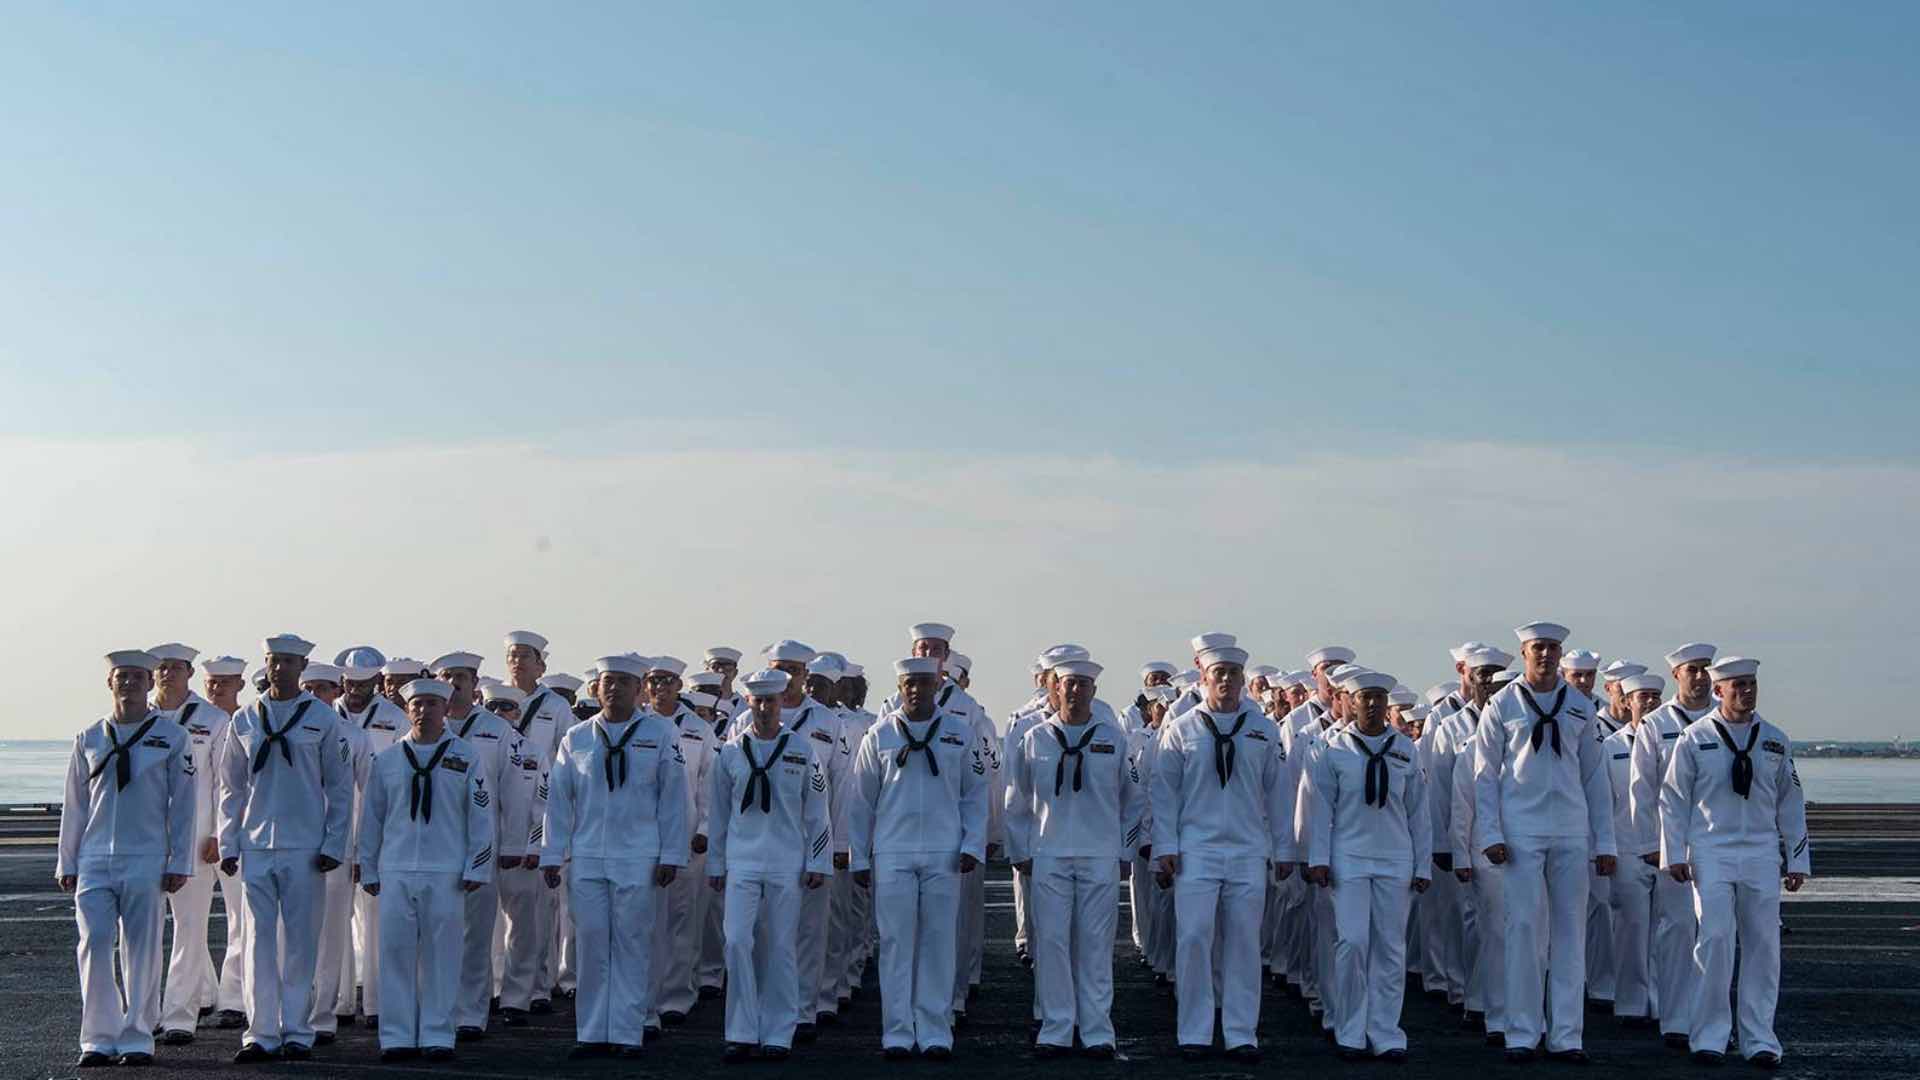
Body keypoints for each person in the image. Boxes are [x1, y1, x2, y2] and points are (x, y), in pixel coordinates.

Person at [1469, 622, 1615, 1064]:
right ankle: (1522, 1032)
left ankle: (1567, 1035)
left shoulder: (1580, 706)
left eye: (1553, 648)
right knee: (1524, 932)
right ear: (1524, 652)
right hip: (1520, 832)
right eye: (1538, 648)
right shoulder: (1503, 703)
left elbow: (1595, 776)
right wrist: (1491, 833)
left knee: (1570, 935)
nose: (1546, 656)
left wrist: (1603, 841)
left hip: (1571, 830)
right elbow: (1485, 775)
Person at [1659, 657, 1808, 1069]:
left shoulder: (1775, 739)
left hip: (1760, 852)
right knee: (1716, 939)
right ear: (1719, 690)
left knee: (1764, 945)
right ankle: (1708, 1036)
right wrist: (1674, 854)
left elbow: (1790, 802)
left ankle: (1760, 1039)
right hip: (1712, 850)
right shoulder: (1694, 738)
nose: (1747, 691)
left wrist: (1797, 859)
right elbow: (1672, 800)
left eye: (1752, 683)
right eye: (1738, 685)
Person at [541, 654, 692, 1059]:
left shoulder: (661, 733)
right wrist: (551, 853)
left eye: (624, 682)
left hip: (638, 855)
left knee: (631, 945)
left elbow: (674, 798)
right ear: (595, 688)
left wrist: (672, 853)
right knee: (590, 945)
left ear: (640, 688)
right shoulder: (577, 738)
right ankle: (591, 1032)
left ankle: (627, 1032)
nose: (614, 688)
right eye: (608, 681)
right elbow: (558, 800)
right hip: (588, 855)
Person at [217, 634, 354, 1063]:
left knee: (300, 942)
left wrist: (334, 841)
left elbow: (340, 786)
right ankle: (260, 1033)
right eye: (274, 661)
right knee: (257, 939)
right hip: (256, 844)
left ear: (304, 666)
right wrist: (228, 840)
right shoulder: (244, 718)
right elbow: (231, 785)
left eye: (289, 662)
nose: (280, 668)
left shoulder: (323, 719)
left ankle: (297, 1029)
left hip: (305, 846)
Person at [1153, 644, 1294, 1062]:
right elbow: (1164, 793)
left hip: (1248, 850)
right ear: (1204, 678)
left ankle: (1240, 1032)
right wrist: (1165, 846)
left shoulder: (1263, 729)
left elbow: (1279, 794)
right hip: (1196, 850)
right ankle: (1194, 1031)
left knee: (1244, 943)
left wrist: (1283, 848)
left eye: (1234, 672)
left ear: (1244, 679)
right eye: (1220, 672)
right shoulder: (1182, 728)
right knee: (1194, 938)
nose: (1227, 680)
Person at [847, 657, 989, 1059]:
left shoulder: (959, 733)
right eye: (908, 682)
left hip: (944, 852)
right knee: (895, 943)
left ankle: (935, 1030)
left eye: (923, 682)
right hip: (893, 850)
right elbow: (860, 802)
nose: (915, 690)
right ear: (899, 685)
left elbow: (975, 794)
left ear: (937, 683)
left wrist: (971, 845)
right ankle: (897, 1031)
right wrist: (860, 856)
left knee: (939, 943)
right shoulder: (880, 735)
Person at [60, 650, 195, 1069]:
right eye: (122, 676)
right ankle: (98, 1038)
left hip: (146, 855)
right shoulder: (90, 738)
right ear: (110, 683)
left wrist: (180, 860)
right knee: (94, 944)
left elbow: (184, 804)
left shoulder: (171, 737)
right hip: (95, 857)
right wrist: (67, 860)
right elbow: (75, 803)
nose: (130, 683)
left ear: (150, 683)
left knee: (142, 949)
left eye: (138, 677)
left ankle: (137, 1036)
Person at [1004, 657, 1143, 1059]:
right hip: (1050, 854)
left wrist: (1124, 849)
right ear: (1055, 689)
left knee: (1097, 946)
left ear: (1094, 692)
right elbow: (1016, 800)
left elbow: (1133, 800)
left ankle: (1098, 1029)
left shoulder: (1113, 738)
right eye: (1069, 684)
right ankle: (1056, 1027)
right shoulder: (1035, 739)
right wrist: (1020, 850)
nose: (1076, 691)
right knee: (1050, 944)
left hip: (1099, 853)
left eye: (1084, 685)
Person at [356, 678, 495, 1063]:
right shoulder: (387, 760)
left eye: (432, 704)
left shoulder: (466, 756)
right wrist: (368, 866)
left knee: (443, 955)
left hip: (446, 870)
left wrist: (476, 867)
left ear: (446, 709)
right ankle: (397, 1035)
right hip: (396, 868)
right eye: (416, 704)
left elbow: (481, 817)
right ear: (406, 710)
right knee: (395, 954)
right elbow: (372, 819)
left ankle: (438, 1034)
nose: (423, 710)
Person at [707, 668, 835, 1061]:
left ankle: (779, 1031)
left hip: (786, 861)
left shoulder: (801, 750)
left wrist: (818, 859)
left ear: (782, 703)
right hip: (742, 861)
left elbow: (817, 811)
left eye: (771, 701)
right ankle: (742, 1030)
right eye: (758, 701)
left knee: (781, 946)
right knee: (737, 941)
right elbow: (718, 814)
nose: (764, 708)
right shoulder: (729, 752)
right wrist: (716, 864)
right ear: (748, 703)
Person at [1303, 669, 1430, 1061]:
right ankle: (1350, 1028)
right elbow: (1319, 808)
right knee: (1353, 942)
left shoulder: (1405, 749)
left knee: (1391, 947)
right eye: (1364, 697)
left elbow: (1418, 812)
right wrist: (1319, 859)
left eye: (1378, 697)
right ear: (1349, 700)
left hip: (1395, 856)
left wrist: (1422, 864)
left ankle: (1386, 1031)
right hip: (1349, 857)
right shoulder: (1334, 749)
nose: (1372, 704)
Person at [430, 650, 536, 1041]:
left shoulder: (497, 729)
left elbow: (515, 792)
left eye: (462, 677)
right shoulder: (426, 725)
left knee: (476, 932)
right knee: (437, 931)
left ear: (476, 683)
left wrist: (511, 843)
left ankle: (470, 1013)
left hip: (481, 845)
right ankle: (438, 1007)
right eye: (447, 676)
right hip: (433, 846)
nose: (454, 684)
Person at [1629, 642, 1718, 1050]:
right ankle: (1676, 1019)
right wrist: (1652, 843)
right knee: (1677, 929)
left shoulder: (1725, 720)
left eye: (1704, 669)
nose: (1699, 676)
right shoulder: (1655, 724)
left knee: (1716, 933)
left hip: (1719, 843)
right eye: (1691, 670)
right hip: (1674, 844)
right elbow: (1642, 790)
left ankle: (1712, 1019)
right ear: (1676, 677)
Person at [147, 643, 228, 1045]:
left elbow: (222, 781)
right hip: (145, 837)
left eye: (175, 668)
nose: (167, 675)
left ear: (190, 673)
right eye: (160, 668)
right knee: (144, 931)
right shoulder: (140, 718)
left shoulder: (212, 720)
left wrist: (217, 833)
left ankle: (179, 1015)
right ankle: (148, 1014)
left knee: (189, 926)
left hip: (196, 837)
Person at [642, 655, 716, 1030]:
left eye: (667, 681)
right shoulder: (639, 726)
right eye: (654, 680)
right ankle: (648, 997)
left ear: (679, 686)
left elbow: (708, 785)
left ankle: (677, 995)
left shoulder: (698, 729)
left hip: (688, 842)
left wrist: (704, 828)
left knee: (683, 921)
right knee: (647, 923)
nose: (660, 687)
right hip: (645, 842)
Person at [337, 661, 406, 1028]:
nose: (355, 688)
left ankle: (377, 1005)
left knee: (377, 923)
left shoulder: (396, 719)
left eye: (364, 682)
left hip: (378, 832)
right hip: (333, 833)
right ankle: (340, 1001)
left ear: (376, 682)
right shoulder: (326, 716)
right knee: (335, 923)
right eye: (350, 681)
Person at [1602, 671, 1665, 1028]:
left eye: (1656, 696)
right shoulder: (1609, 748)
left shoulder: (1674, 740)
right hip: (1625, 847)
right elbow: (1602, 801)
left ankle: (1663, 1003)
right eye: (1643, 697)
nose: (1651, 703)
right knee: (1631, 929)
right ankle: (1629, 1004)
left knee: (1668, 930)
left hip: (1668, 848)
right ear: (1627, 702)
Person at [197, 655, 252, 1029]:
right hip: (195, 836)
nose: (217, 688)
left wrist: (225, 832)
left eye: (226, 682)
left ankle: (234, 998)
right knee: (191, 923)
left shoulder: (249, 722)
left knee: (239, 919)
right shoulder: (192, 721)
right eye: (212, 682)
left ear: (241, 686)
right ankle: (200, 993)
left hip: (236, 833)